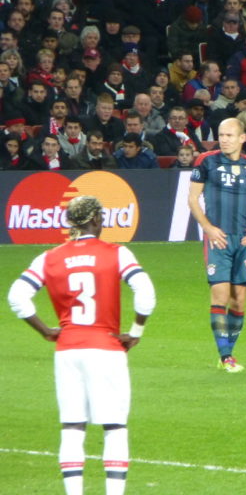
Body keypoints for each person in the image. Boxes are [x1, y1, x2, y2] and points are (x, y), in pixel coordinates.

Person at [7, 195, 156, 495]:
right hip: (106, 348)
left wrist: (45, 331)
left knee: (73, 427)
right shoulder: (117, 253)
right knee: (114, 427)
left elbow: (16, 296)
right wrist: (136, 330)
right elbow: (145, 292)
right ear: (96, 220)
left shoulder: (48, 258)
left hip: (68, 349)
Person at [188, 118, 246, 373]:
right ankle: (225, 356)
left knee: (239, 301)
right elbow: (192, 199)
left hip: (242, 240)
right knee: (220, 295)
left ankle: (228, 350)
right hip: (218, 239)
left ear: (242, 138)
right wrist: (209, 229)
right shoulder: (206, 162)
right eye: (221, 135)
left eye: (230, 135)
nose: (224, 139)